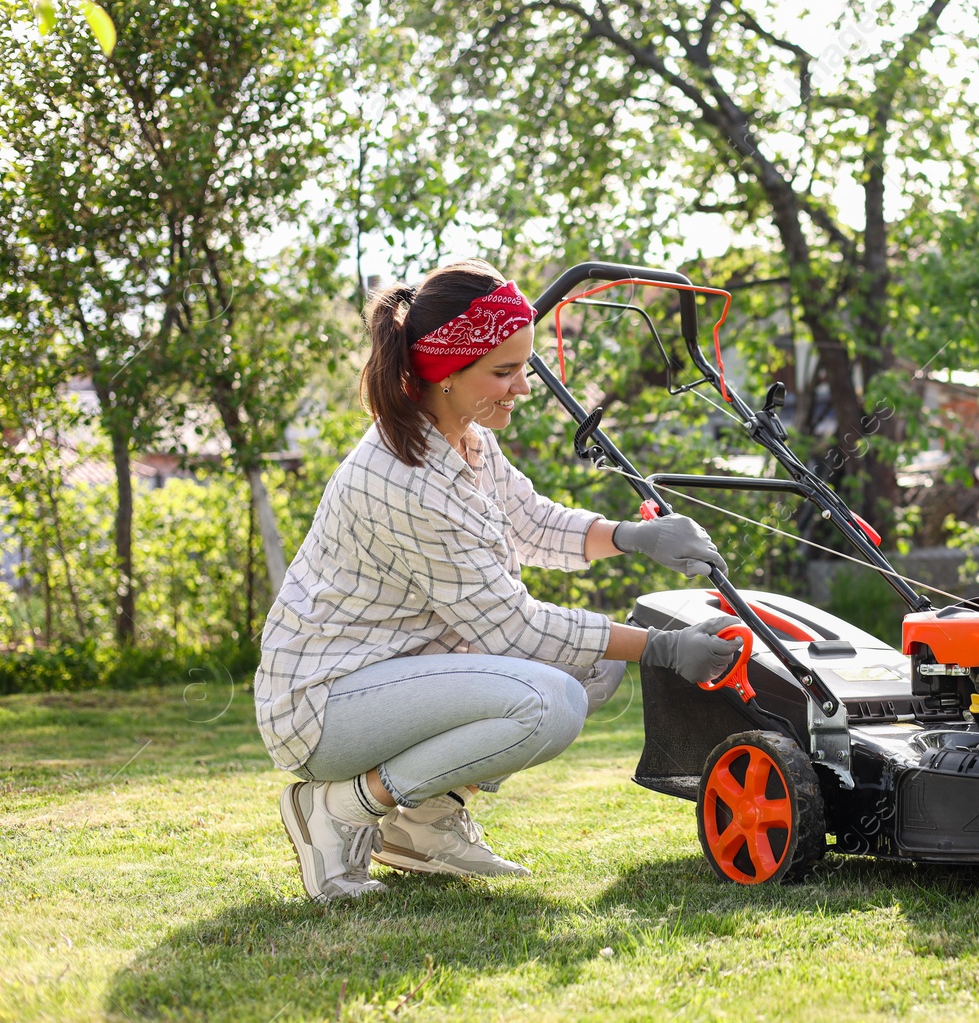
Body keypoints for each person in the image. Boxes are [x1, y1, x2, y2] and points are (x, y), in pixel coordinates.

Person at [256, 258, 741, 904]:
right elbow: (515, 627)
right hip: (321, 702)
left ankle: (423, 824)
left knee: (590, 670)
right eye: (504, 371)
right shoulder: (403, 477)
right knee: (552, 701)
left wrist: (632, 536)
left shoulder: (467, 437)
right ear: (445, 372)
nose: (522, 386)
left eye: (526, 367)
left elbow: (533, 524)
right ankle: (342, 808)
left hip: (391, 669)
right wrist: (662, 645)